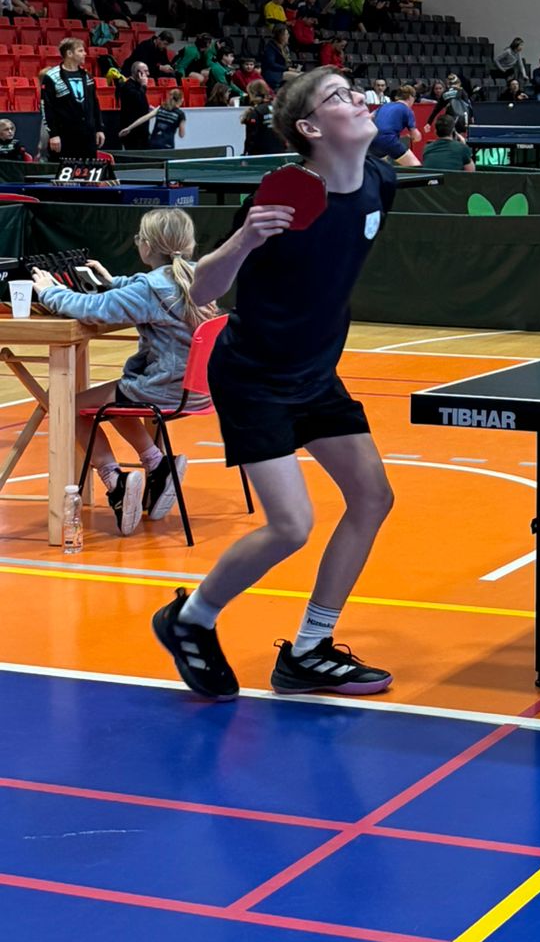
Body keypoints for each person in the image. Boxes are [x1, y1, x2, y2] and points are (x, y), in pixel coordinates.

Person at [151, 67, 398, 700]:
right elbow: (201, 292)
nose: (358, 97)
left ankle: (309, 651)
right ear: (310, 128)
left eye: (355, 88)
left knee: (372, 497)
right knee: (290, 526)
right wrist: (244, 238)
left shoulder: (380, 182)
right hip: (255, 377)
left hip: (315, 372)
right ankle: (191, 618)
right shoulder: (280, 202)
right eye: (339, 95)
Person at [32, 208, 212, 535]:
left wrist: (49, 292)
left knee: (66, 406)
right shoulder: (199, 274)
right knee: (119, 393)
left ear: (147, 246)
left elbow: (92, 310)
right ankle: (157, 465)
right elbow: (152, 289)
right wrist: (112, 282)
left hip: (163, 389)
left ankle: (115, 480)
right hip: (198, 390)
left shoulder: (148, 290)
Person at [40, 36, 104, 160]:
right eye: (80, 51)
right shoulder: (52, 77)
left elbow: (94, 104)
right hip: (65, 137)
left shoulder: (87, 76)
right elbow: (47, 108)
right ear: (69, 53)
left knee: (88, 170)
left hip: (88, 135)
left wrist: (99, 129)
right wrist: (53, 134)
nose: (85, 54)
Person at [372, 84, 421, 166]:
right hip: (388, 140)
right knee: (415, 166)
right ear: (410, 97)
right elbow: (416, 136)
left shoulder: (384, 106)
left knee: (382, 169)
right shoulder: (407, 110)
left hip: (373, 140)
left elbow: (369, 118)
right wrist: (416, 137)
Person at [241, 82, 282, 159]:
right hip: (280, 153)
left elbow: (252, 136)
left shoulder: (256, 111)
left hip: (260, 155)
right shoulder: (278, 108)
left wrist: (246, 153)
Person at [117, 59, 154, 144]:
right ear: (139, 73)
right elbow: (137, 99)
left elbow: (139, 103)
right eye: (145, 71)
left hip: (142, 130)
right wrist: (144, 86)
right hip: (132, 132)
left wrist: (147, 107)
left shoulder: (138, 86)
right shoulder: (128, 86)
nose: (148, 74)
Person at [149, 86, 186, 151]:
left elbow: (146, 118)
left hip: (153, 143)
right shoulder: (180, 114)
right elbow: (181, 135)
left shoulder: (161, 109)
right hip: (167, 145)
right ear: (181, 100)